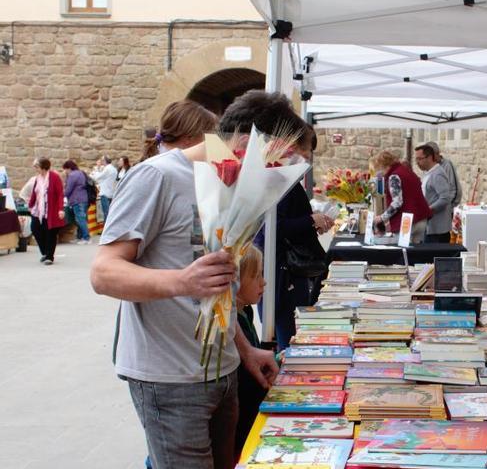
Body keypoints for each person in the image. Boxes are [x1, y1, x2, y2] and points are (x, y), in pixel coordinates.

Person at [90, 97, 282, 469]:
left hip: (222, 371)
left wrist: (244, 349)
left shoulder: (226, 180)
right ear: (249, 143)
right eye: (279, 161)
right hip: (170, 379)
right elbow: (103, 272)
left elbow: (219, 286)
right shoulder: (156, 176)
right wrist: (182, 280)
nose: (277, 173)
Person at [218, 89, 332, 350]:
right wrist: (310, 221)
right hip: (279, 269)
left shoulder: (272, 175)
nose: (301, 158)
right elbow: (271, 228)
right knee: (285, 334)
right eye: (295, 150)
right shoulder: (171, 178)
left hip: (272, 274)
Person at [233, 244, 269, 457]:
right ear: (234, 282)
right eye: (256, 276)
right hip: (246, 422)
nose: (263, 282)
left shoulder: (245, 312)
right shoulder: (235, 320)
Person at [371, 150, 431, 244]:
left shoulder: (394, 176)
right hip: (421, 218)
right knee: (417, 254)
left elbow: (397, 202)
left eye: (378, 169)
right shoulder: (406, 171)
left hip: (407, 222)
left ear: (383, 166)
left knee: (403, 253)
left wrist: (382, 218)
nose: (378, 173)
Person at [27, 157, 65, 265]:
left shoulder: (54, 177)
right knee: (35, 229)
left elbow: (60, 194)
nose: (35, 169)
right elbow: (35, 193)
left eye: (37, 167)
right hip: (39, 210)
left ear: (43, 167)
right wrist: (30, 205)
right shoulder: (37, 178)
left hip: (51, 210)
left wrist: (60, 209)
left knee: (50, 233)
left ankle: (49, 256)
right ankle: (44, 251)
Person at [414, 143, 455, 243]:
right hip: (430, 226)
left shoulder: (438, 174)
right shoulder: (428, 173)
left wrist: (428, 209)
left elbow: (445, 198)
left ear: (430, 157)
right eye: (416, 159)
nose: (417, 162)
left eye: (420, 159)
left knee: (434, 257)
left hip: (438, 230)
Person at [423, 140, 462, 207]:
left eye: (428, 155)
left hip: (445, 208)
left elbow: (454, 189)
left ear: (436, 153)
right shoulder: (428, 166)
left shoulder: (447, 165)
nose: (428, 158)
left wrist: (449, 207)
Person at [62, 159, 91, 245]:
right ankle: (80, 237)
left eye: (65, 169)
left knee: (80, 219)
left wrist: (62, 195)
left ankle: (86, 237)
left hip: (77, 199)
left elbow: (68, 189)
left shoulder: (72, 175)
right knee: (82, 218)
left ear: (68, 168)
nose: (65, 171)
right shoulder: (80, 173)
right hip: (84, 198)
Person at [91, 155, 118, 219]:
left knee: (106, 213)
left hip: (105, 193)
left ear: (105, 161)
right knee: (110, 213)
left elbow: (98, 177)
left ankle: (107, 228)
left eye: (102, 160)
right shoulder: (114, 168)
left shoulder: (107, 168)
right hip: (111, 192)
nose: (101, 161)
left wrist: (95, 172)